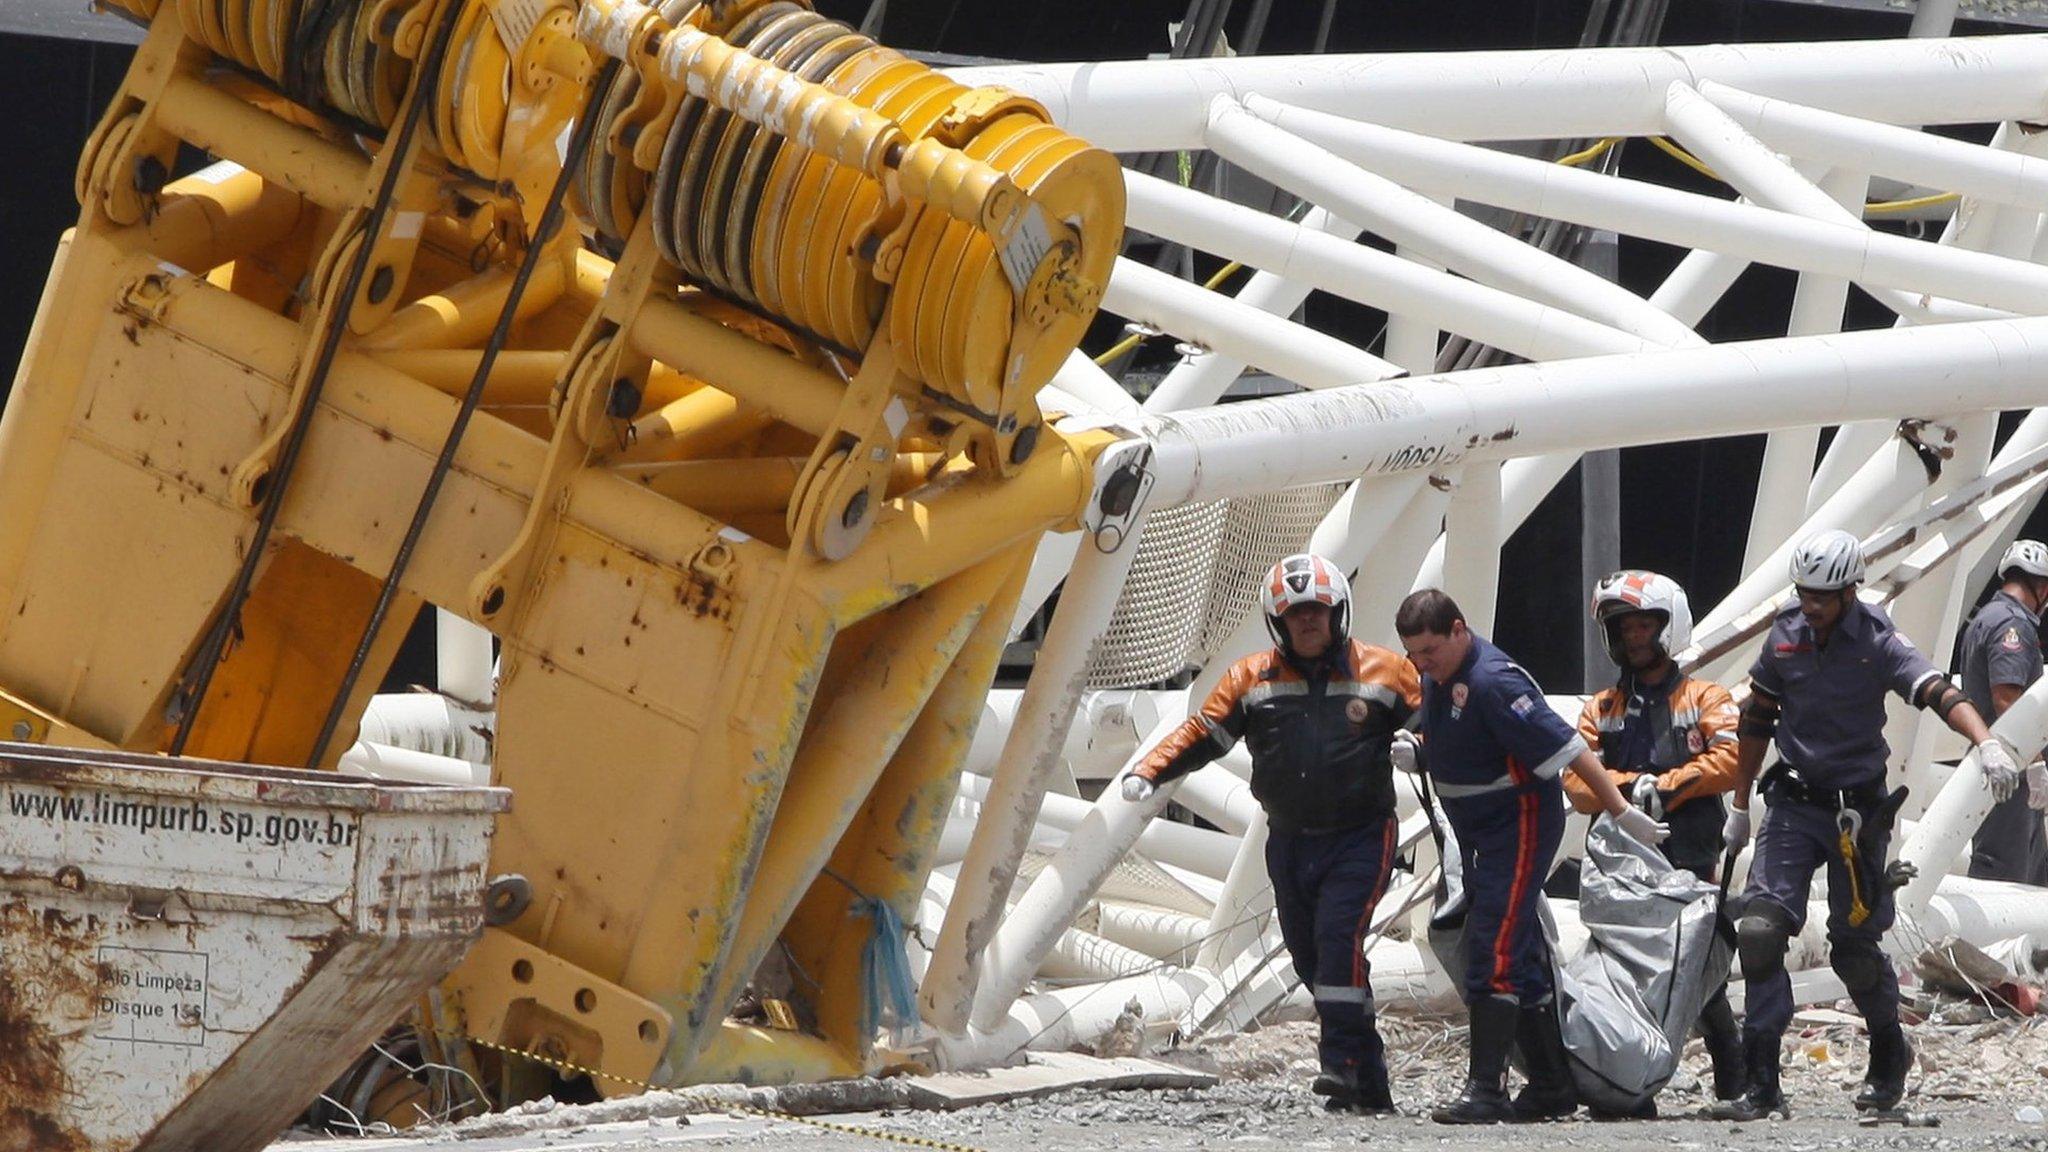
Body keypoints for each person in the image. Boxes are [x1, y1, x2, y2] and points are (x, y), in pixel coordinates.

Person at [1715, 529, 2019, 1121]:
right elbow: (1756, 718)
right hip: (1793, 806)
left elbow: (1936, 691)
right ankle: (1762, 1081)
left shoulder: (1877, 637)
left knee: (1854, 946)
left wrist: (1986, 744)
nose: (1810, 605)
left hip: (1858, 816)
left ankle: (1888, 1052)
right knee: (1757, 930)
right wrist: (1737, 804)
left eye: (1823, 596)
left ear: (1850, 591)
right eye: (1804, 593)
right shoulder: (1785, 635)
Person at [1121, 554, 1421, 1115]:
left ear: (1340, 615)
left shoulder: (1387, 672)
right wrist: (1148, 770)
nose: (1309, 624)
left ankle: (1339, 1063)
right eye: (1297, 616)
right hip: (1288, 841)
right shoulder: (1248, 678)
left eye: (1319, 613)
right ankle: (1369, 1080)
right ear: (1277, 623)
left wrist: (1421, 747)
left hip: (1362, 835)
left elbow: (1440, 726)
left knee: (1338, 941)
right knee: (1312, 960)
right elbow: (1202, 733)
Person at [1391, 589, 1667, 1125]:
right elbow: (1468, 740)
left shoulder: (1496, 683)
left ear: (1458, 630)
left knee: (1492, 949)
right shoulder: (1442, 675)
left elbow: (1569, 749)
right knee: (1517, 954)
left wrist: (1617, 809)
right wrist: (1423, 753)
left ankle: (1486, 1090)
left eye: (1429, 652)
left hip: (1515, 825)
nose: (1422, 665)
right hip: (1477, 830)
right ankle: (1550, 1084)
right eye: (1413, 656)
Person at [1563, 570, 1747, 1111]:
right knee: (1622, 966)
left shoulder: (1705, 696)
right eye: (1623, 627)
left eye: (1644, 624)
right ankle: (1628, 1077)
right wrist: (1629, 790)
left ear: (1669, 627)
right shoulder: (1599, 708)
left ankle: (1733, 1076)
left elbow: (1732, 759)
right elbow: (1576, 781)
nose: (1633, 637)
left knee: (1695, 964)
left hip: (1689, 853)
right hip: (1620, 863)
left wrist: (1663, 788)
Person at [1958, 539, 2048, 884]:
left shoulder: (1986, 617)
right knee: (2002, 874)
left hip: (2001, 763)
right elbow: (2006, 699)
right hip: (2009, 768)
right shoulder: (2013, 625)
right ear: (2041, 586)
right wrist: (2036, 762)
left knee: (2033, 874)